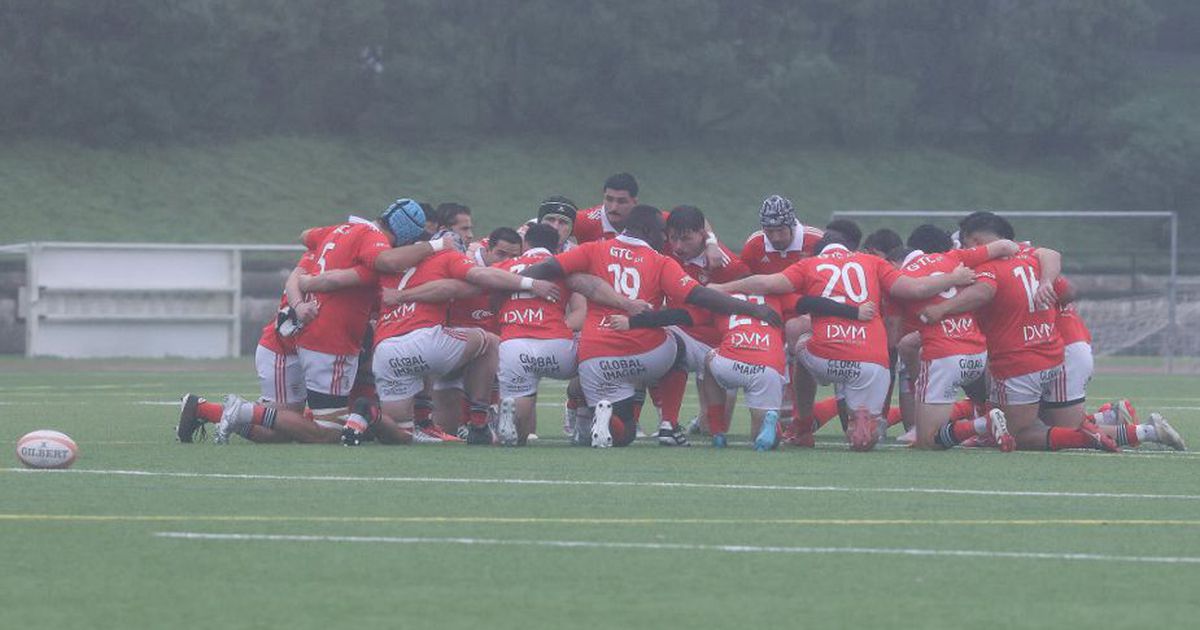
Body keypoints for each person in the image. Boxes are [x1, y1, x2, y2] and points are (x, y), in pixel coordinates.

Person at [521, 205, 782, 448]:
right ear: (647, 232)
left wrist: (518, 281)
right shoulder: (660, 261)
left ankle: (599, 415)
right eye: (662, 234)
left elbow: (547, 267)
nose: (666, 241)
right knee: (678, 343)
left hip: (596, 357)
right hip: (643, 353)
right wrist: (752, 309)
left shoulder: (592, 249)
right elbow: (699, 296)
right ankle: (668, 424)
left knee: (624, 431)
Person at [709, 220, 976, 451]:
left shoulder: (809, 264)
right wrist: (953, 278)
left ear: (819, 252)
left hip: (826, 354)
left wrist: (722, 287)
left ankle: (801, 426)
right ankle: (863, 422)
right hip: (871, 361)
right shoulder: (872, 262)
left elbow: (765, 283)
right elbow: (916, 289)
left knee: (799, 344)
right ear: (850, 249)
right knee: (865, 441)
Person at [917, 212, 1120, 452]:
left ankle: (1085, 436)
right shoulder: (1031, 256)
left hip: (1021, 360)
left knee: (1019, 434)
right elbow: (1067, 290)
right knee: (1047, 421)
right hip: (1051, 352)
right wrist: (1042, 291)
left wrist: (942, 309)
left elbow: (984, 292)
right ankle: (1135, 429)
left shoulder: (988, 265)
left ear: (974, 240)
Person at [896, 223, 1020, 450]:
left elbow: (902, 317)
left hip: (943, 357)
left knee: (926, 442)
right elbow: (1005, 246)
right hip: (977, 354)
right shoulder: (955, 257)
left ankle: (982, 424)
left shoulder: (900, 274)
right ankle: (982, 417)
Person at [491, 224, 585, 445]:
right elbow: (582, 312)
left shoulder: (506, 266)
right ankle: (584, 421)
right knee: (596, 363)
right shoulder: (564, 267)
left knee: (519, 422)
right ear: (557, 246)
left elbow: (493, 303)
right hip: (557, 345)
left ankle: (510, 422)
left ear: (525, 244)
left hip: (514, 345)